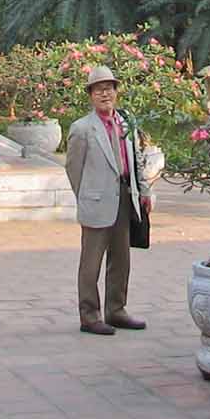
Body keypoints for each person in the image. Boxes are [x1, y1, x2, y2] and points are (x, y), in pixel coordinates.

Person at [64, 65, 151, 335]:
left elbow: (136, 160)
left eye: (109, 88)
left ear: (116, 92)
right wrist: (87, 195)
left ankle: (117, 309)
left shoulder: (126, 122)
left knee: (121, 258)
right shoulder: (82, 128)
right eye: (99, 89)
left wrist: (144, 191)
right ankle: (89, 315)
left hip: (125, 196)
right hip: (96, 200)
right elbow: (73, 169)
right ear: (90, 94)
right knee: (91, 262)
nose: (105, 94)